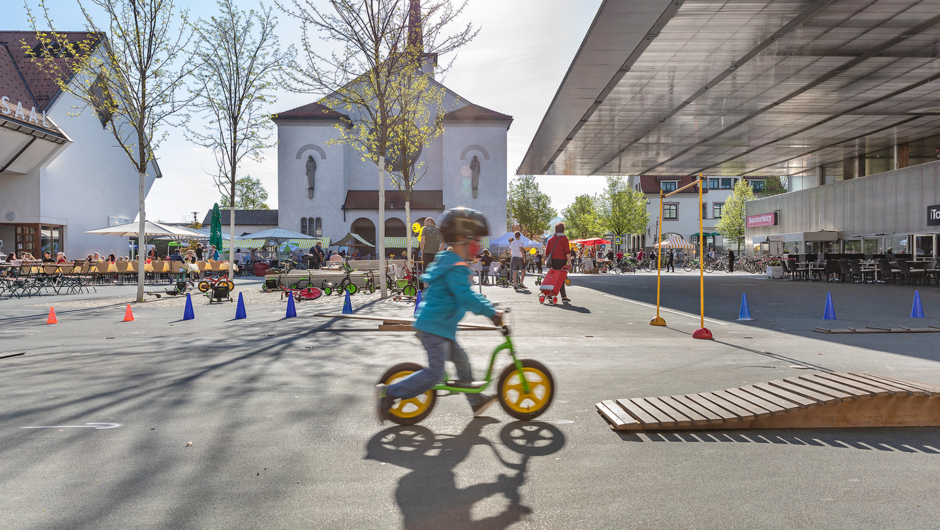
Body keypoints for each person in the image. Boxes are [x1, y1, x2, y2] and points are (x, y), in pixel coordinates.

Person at [376, 207, 503, 423]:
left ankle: (476, 401)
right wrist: (491, 313)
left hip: (442, 328)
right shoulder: (454, 267)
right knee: (435, 374)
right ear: (461, 241)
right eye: (474, 243)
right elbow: (465, 297)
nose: (477, 248)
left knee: (462, 361)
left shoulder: (452, 262)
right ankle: (389, 392)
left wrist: (489, 305)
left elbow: (468, 294)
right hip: (434, 329)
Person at [544, 222, 571, 302]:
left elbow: (547, 252)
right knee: (561, 278)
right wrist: (569, 261)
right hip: (562, 260)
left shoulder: (551, 239)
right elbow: (567, 251)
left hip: (553, 261)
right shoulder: (564, 239)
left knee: (554, 277)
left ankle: (550, 294)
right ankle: (562, 296)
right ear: (563, 230)